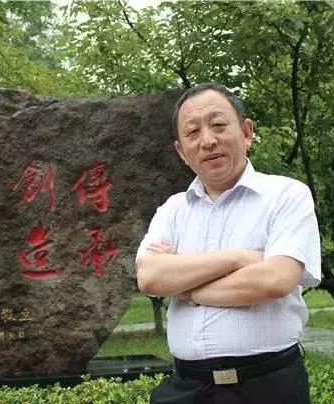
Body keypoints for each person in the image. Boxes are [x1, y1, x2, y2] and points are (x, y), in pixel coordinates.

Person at [136, 83, 321, 404]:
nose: (208, 140)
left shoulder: (287, 195)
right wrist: (237, 259)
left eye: (219, 125)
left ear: (247, 132)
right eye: (193, 132)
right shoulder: (172, 211)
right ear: (181, 151)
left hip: (268, 388)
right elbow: (150, 277)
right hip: (187, 389)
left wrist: (185, 289)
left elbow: (275, 280)